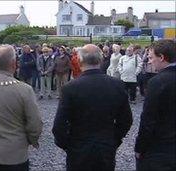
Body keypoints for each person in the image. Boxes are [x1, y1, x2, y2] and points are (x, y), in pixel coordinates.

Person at [52, 44, 132, 171]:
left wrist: (68, 145)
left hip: (78, 147)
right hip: (106, 146)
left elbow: (59, 125)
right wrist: (114, 140)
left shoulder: (70, 88)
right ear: (100, 60)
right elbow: (126, 120)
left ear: (79, 61)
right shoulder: (116, 85)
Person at [135, 39, 176, 171]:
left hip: (161, 148)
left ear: (162, 57)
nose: (150, 61)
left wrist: (140, 147)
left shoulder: (157, 82)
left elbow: (148, 119)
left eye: (151, 57)